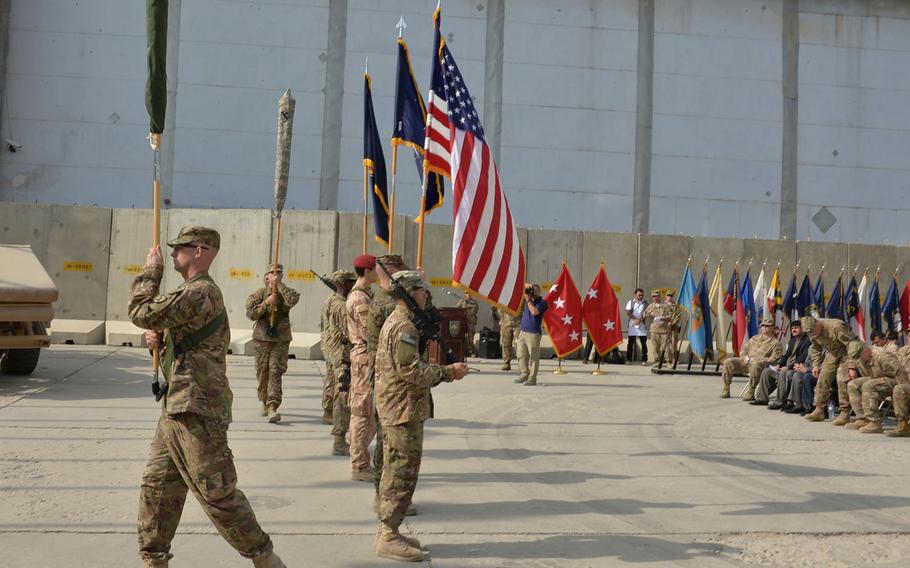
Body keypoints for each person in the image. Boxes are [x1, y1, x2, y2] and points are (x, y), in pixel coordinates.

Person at [129, 226, 285, 568]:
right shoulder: (191, 293)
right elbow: (183, 341)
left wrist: (150, 272)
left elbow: (141, 311)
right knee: (158, 488)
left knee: (217, 493)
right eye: (170, 251)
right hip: (177, 405)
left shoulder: (201, 292)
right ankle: (154, 559)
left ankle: (265, 558)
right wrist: (162, 341)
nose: (171, 254)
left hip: (198, 408)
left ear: (201, 251)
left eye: (179, 248)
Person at [374, 270, 470, 562]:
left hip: (401, 407)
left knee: (397, 470)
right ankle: (388, 535)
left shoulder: (404, 322)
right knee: (401, 472)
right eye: (421, 289)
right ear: (410, 292)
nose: (426, 293)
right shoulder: (403, 326)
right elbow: (411, 371)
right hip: (401, 409)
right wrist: (448, 373)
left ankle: (389, 531)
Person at [367, 255, 416, 515]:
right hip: (392, 381)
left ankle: (385, 495)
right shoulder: (388, 304)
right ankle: (385, 497)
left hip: (388, 377)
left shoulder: (384, 301)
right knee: (391, 444)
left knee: (389, 443)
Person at [245, 264, 300, 424]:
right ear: (266, 277)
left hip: (280, 339)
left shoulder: (286, 293)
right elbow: (251, 314)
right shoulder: (258, 294)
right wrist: (267, 303)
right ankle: (263, 398)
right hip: (262, 338)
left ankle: (272, 405)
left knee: (276, 370)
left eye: (278, 273)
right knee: (263, 371)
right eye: (271, 273)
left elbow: (293, 300)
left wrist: (280, 285)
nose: (275, 276)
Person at [346, 254, 377, 481]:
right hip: (364, 357)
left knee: (369, 414)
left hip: (366, 357)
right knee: (362, 413)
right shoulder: (360, 299)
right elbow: (369, 332)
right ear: (367, 271)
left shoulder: (366, 295)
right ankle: (359, 465)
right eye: (375, 269)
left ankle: (362, 459)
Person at [321, 269, 356, 456]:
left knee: (336, 389)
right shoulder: (341, 305)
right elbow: (350, 331)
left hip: (332, 350)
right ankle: (340, 439)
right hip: (342, 353)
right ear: (343, 284)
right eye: (351, 282)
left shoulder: (329, 300)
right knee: (342, 395)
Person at [801, 315, 858, 422]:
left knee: (842, 377)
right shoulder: (811, 330)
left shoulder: (836, 326)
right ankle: (819, 409)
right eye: (811, 333)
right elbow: (816, 348)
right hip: (833, 353)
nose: (813, 335)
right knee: (823, 377)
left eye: (814, 331)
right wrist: (816, 365)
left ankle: (845, 412)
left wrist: (852, 366)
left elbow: (852, 345)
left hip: (847, 352)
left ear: (818, 324)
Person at [843, 340, 907, 433]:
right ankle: (863, 419)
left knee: (868, 385)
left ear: (866, 351)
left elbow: (900, 372)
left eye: (858, 356)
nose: (857, 360)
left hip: (895, 381)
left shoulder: (883, 356)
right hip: (877, 379)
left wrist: (902, 391)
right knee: (853, 385)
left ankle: (874, 422)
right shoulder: (861, 358)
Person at [720, 317, 782, 400]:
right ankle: (726, 389)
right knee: (728, 362)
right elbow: (743, 351)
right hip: (746, 362)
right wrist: (745, 357)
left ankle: (750, 392)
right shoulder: (754, 338)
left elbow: (774, 360)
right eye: (763, 325)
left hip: (761, 366)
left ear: (772, 328)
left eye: (767, 326)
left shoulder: (776, 343)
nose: (764, 327)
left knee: (756, 365)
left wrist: (759, 361)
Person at [755, 320, 810, 408]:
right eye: (792, 328)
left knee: (783, 373)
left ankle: (780, 401)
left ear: (802, 329)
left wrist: (788, 367)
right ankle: (762, 399)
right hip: (786, 367)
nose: (794, 330)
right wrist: (779, 365)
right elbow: (786, 356)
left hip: (795, 369)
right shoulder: (792, 340)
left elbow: (802, 358)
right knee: (767, 371)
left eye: (796, 328)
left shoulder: (807, 341)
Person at [514, 283, 547, 386]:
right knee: (521, 355)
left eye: (536, 291)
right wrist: (526, 285)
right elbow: (519, 285)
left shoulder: (542, 302)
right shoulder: (528, 299)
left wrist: (528, 300)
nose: (533, 292)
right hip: (522, 332)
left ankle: (532, 378)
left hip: (533, 333)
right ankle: (524, 374)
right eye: (532, 290)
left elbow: (534, 312)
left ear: (539, 292)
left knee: (533, 357)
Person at [643, 289, 676, 365]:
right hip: (654, 330)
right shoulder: (650, 306)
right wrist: (649, 314)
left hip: (664, 330)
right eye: (653, 296)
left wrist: (665, 318)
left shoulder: (665, 306)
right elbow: (644, 315)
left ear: (659, 297)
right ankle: (657, 361)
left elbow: (671, 316)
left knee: (666, 346)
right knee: (655, 347)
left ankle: (668, 361)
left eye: (656, 296)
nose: (654, 298)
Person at [625, 288, 649, 365]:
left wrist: (640, 320)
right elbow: (627, 312)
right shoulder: (631, 302)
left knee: (643, 343)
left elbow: (647, 313)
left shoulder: (645, 303)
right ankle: (628, 359)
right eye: (639, 295)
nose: (640, 296)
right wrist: (635, 319)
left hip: (642, 325)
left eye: (642, 295)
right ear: (635, 295)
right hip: (632, 324)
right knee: (630, 343)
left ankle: (644, 360)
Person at [493, 305, 520, 370]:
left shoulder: (521, 297)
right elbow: (498, 308)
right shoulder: (503, 298)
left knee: (519, 344)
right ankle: (506, 363)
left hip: (518, 324)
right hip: (505, 323)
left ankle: (521, 364)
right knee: (505, 344)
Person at [455, 290, 479, 357]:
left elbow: (474, 311)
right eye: (467, 293)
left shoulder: (474, 302)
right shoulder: (461, 302)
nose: (468, 294)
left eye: (469, 293)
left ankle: (471, 352)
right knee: (461, 337)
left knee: (470, 338)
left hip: (471, 323)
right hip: (463, 322)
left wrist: (466, 305)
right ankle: (462, 351)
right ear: (465, 294)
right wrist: (464, 303)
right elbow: (456, 310)